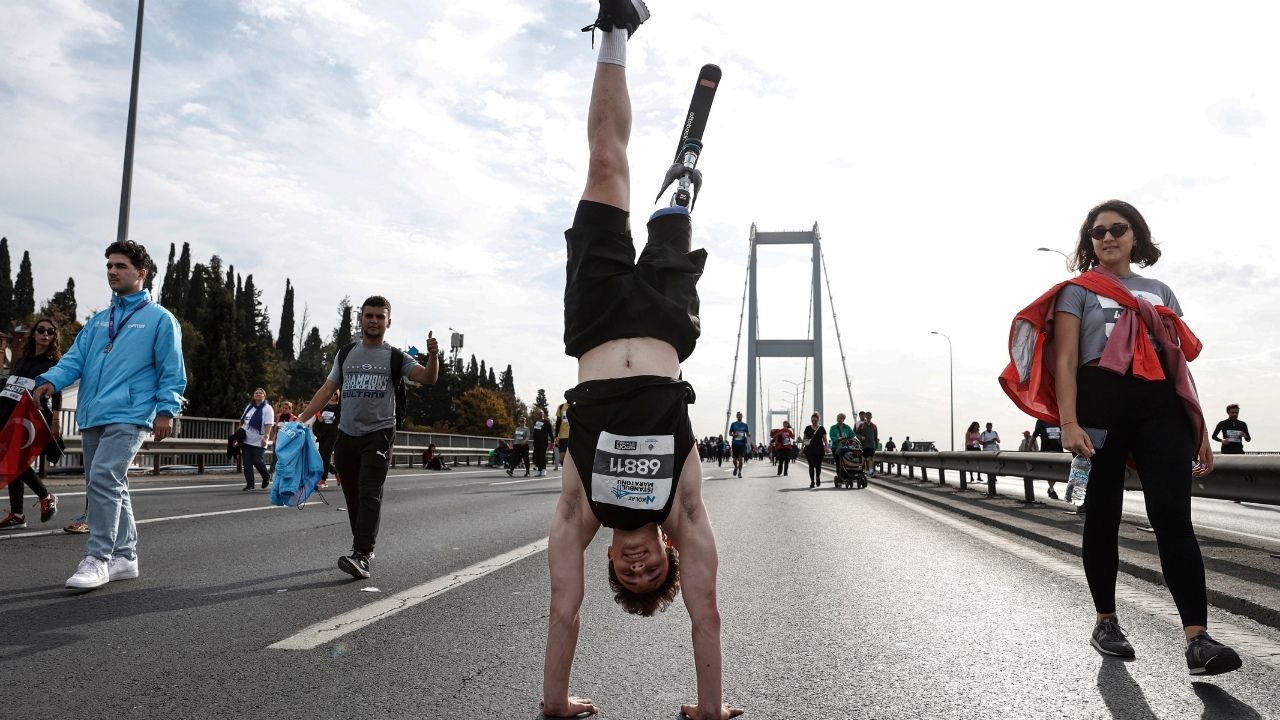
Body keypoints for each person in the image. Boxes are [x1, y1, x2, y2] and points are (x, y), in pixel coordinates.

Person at [541, 5, 740, 717]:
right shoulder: (681, 508)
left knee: (602, 162)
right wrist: (710, 711)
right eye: (651, 569)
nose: (637, 565)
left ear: (612, 567)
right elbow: (707, 614)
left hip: (593, 321)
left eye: (629, 575)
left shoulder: (581, 512)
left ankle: (618, 25)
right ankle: (683, 187)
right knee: (666, 212)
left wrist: (556, 703)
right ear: (668, 556)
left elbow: (565, 612)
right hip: (661, 320)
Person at [1008, 199, 1239, 674]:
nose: (1108, 237)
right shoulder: (1077, 291)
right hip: (1099, 405)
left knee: (1173, 517)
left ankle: (1198, 640)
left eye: (1119, 228)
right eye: (1098, 232)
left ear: (1136, 236)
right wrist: (1067, 422)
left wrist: (1199, 427)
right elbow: (1066, 361)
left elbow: (1176, 363)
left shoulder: (1160, 291)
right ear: (1089, 243)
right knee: (1103, 515)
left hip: (1159, 407)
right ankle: (1106, 621)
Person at [33, 240, 186, 590]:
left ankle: (98, 558)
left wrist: (167, 409)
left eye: (120, 266)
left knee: (103, 477)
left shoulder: (160, 319)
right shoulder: (101, 320)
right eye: (109, 267)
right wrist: (51, 382)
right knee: (109, 483)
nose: (113, 272)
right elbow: (74, 359)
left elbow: (172, 369)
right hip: (93, 412)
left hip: (130, 413)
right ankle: (126, 556)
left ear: (141, 273)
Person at [296, 296, 439, 580]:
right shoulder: (346, 353)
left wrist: (433, 356)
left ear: (388, 321)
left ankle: (361, 554)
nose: (374, 321)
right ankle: (363, 547)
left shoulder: (395, 356)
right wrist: (301, 419)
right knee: (352, 496)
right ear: (361, 319)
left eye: (379, 316)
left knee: (368, 492)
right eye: (369, 315)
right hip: (346, 433)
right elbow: (327, 389)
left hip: (379, 433)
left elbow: (428, 378)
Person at [1, 316, 63, 530]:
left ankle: (46, 496)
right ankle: (18, 514)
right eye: (41, 330)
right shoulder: (21, 360)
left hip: (32, 419)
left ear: (54, 337)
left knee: (15, 461)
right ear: (34, 333)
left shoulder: (53, 363)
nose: (45, 334)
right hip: (9, 415)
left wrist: (56, 419)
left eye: (50, 332)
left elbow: (57, 393)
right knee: (11, 462)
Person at [238, 388, 275, 491]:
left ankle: (266, 476)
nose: (258, 394)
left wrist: (266, 437)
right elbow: (242, 421)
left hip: (260, 439)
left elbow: (269, 424)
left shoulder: (267, 408)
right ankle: (250, 484)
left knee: (257, 461)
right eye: (256, 393)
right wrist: (238, 434)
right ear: (253, 395)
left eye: (260, 393)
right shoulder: (249, 407)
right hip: (246, 439)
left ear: (264, 396)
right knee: (247, 464)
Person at [312, 390, 342, 488]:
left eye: (334, 394)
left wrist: (336, 423)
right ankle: (336, 472)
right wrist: (319, 420)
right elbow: (317, 418)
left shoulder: (339, 408)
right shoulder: (323, 407)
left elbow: (340, 421)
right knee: (322, 457)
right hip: (322, 435)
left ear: (337, 396)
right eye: (331, 393)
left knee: (326, 455)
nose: (332, 395)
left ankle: (323, 479)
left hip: (333, 435)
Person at [1032, 418, 1065, 498]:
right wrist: (1029, 446)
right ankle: (1051, 489)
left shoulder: (1059, 418)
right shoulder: (1041, 420)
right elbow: (1035, 434)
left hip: (1058, 450)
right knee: (1051, 471)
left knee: (1056, 471)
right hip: (1047, 451)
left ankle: (1051, 488)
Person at [802, 412, 828, 488]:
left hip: (819, 449)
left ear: (818, 420)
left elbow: (825, 439)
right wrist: (801, 449)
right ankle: (812, 481)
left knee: (818, 466)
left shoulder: (821, 428)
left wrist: (826, 447)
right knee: (811, 465)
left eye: (815, 420)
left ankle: (818, 477)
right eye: (812, 420)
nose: (813, 421)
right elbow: (804, 439)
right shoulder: (807, 428)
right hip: (809, 450)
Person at [531, 408, 554, 477]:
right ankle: (539, 469)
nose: (539, 415)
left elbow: (550, 432)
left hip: (543, 442)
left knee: (542, 456)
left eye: (541, 413)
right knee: (536, 457)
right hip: (536, 442)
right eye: (538, 413)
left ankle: (543, 469)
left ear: (543, 414)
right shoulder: (536, 422)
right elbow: (535, 432)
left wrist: (552, 441)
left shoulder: (546, 422)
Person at [728, 411, 750, 478]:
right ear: (736, 416)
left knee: (741, 458)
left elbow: (748, 432)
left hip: (742, 444)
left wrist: (749, 434)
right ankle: (736, 467)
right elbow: (730, 433)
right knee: (734, 460)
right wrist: (734, 434)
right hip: (735, 443)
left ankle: (739, 473)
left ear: (742, 416)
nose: (739, 416)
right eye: (738, 415)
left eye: (740, 415)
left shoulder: (745, 425)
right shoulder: (733, 424)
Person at [856, 411, 878, 476]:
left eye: (869, 416)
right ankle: (861, 470)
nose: (868, 417)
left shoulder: (874, 426)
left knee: (871, 458)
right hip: (863, 445)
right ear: (865, 416)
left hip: (871, 445)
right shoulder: (861, 425)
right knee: (863, 458)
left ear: (871, 417)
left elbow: (875, 436)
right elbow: (856, 434)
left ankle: (871, 471)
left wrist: (875, 445)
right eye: (867, 415)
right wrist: (861, 437)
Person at [554, 399, 572, 469]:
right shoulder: (561, 407)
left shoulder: (575, 406)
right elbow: (558, 422)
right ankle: (567, 471)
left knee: (571, 458)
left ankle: (569, 473)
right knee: (562, 459)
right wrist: (556, 436)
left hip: (572, 436)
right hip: (563, 436)